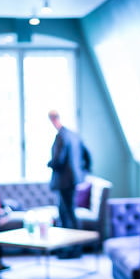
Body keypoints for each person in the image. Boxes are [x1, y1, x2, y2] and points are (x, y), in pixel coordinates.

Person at [47, 109, 91, 258]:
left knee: (67, 214)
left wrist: (49, 163)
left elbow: (58, 160)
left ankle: (72, 249)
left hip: (64, 182)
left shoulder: (61, 136)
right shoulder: (74, 135)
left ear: (53, 119)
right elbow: (87, 156)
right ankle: (72, 248)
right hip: (73, 180)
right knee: (69, 213)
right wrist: (82, 173)